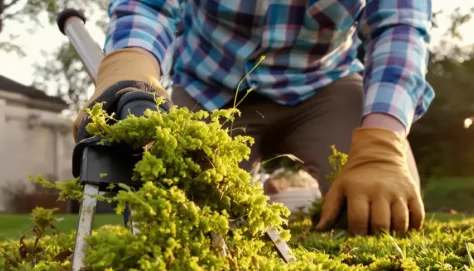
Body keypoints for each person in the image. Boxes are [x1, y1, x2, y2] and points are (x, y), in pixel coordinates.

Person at [73, 0, 434, 237]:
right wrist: (128, 68)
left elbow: (400, 26)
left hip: (324, 85)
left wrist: (381, 146)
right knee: (175, 226)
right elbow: (149, 7)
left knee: (381, 215)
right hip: (210, 89)